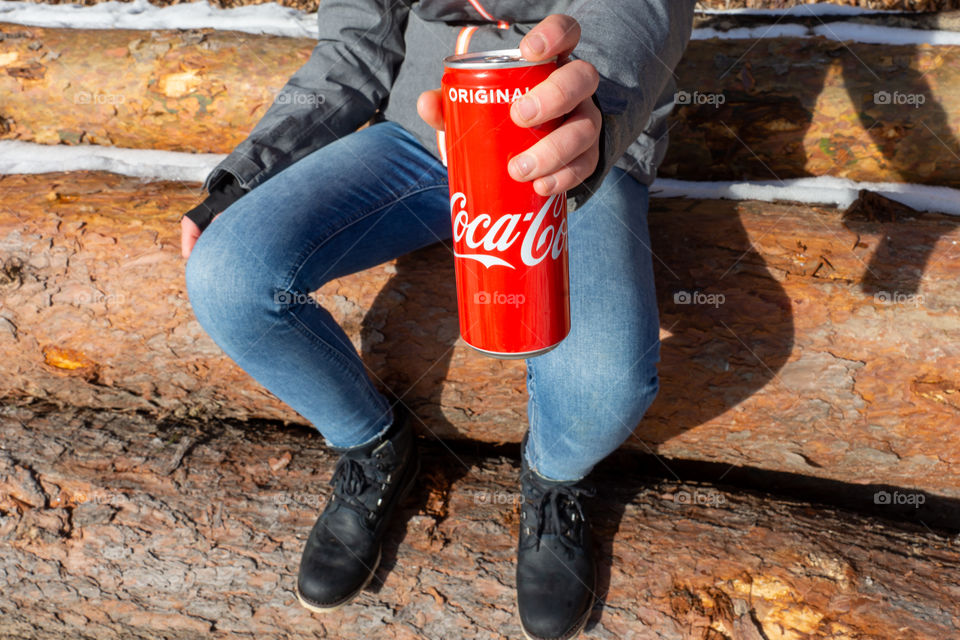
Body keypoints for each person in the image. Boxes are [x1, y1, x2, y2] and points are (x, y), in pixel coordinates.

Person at [182, 2, 695, 638]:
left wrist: (599, 99)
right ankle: (375, 447)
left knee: (605, 382)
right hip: (422, 134)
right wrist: (248, 177)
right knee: (227, 274)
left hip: (575, 141)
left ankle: (554, 482)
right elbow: (355, 43)